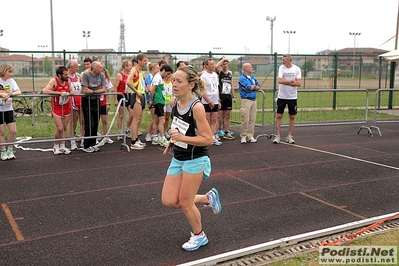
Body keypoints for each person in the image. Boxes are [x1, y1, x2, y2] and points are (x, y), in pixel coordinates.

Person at [161, 65, 221, 252]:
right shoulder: (174, 102)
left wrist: (181, 138)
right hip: (178, 157)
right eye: (173, 81)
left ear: (191, 84)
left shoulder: (197, 108)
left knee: (186, 202)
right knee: (170, 200)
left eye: (179, 81)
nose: (174, 84)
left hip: (196, 159)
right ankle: (207, 197)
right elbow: (180, 128)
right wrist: (173, 140)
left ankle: (199, 235)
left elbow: (207, 139)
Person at [43, 66, 75, 155]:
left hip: (66, 106)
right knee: (59, 128)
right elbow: (45, 91)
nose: (67, 76)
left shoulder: (67, 81)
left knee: (64, 127)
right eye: (65, 75)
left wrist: (71, 92)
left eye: (67, 74)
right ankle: (55, 145)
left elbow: (71, 90)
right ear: (59, 75)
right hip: (57, 107)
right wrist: (59, 93)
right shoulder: (54, 81)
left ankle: (62, 146)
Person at [273, 54, 302, 144]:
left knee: (292, 116)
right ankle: (277, 136)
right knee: (279, 116)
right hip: (282, 96)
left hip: (292, 97)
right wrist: (291, 81)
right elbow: (280, 81)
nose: (282, 61)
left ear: (289, 59)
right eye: (282, 60)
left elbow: (299, 83)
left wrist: (286, 82)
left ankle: (289, 136)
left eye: (284, 60)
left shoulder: (297, 69)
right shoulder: (281, 68)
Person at [81, 61, 106, 152]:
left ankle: (93, 143)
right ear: (94, 68)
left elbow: (103, 89)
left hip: (96, 100)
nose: (101, 69)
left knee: (95, 122)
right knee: (89, 123)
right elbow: (85, 89)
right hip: (87, 100)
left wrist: (94, 92)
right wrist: (95, 91)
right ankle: (86, 145)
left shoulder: (102, 75)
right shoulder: (86, 75)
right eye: (100, 67)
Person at [126, 53, 148, 150]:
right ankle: (133, 141)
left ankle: (136, 139)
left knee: (138, 119)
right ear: (139, 61)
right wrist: (136, 91)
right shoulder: (134, 69)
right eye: (144, 60)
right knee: (136, 119)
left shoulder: (140, 71)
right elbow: (128, 81)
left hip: (142, 95)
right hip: (137, 96)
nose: (146, 62)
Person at [0, 64, 21, 160]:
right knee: (1, 132)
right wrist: (2, 94)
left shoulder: (11, 81)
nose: (11, 74)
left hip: (9, 108)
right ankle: (3, 151)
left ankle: (10, 150)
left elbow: (18, 91)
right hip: (0, 109)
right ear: (4, 71)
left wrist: (10, 94)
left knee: (13, 131)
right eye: (9, 72)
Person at [150, 64, 173, 147]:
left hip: (159, 100)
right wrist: (152, 101)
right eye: (167, 73)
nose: (167, 76)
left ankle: (155, 137)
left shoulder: (159, 77)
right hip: (158, 101)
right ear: (163, 70)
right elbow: (152, 90)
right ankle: (162, 138)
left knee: (156, 120)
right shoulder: (157, 77)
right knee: (162, 120)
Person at [200, 58, 222, 145]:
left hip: (215, 100)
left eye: (214, 63)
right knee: (206, 120)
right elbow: (202, 91)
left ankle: (212, 137)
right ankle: (206, 137)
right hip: (206, 102)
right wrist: (209, 101)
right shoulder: (203, 76)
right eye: (211, 64)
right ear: (206, 66)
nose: (213, 65)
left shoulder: (215, 75)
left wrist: (218, 100)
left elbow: (216, 88)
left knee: (214, 120)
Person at [238, 63, 261, 144]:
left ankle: (250, 135)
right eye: (250, 67)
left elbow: (258, 85)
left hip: (254, 100)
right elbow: (248, 87)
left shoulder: (252, 77)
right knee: (246, 119)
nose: (252, 68)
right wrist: (254, 87)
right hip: (246, 100)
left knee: (252, 119)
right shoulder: (242, 78)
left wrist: (253, 87)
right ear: (246, 68)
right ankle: (243, 136)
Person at [216, 57, 236, 140]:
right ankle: (219, 130)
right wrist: (222, 59)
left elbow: (231, 85)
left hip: (228, 96)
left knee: (227, 115)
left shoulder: (230, 73)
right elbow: (216, 67)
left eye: (226, 64)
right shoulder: (219, 72)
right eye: (223, 64)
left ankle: (226, 131)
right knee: (220, 115)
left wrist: (233, 96)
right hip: (221, 96)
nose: (225, 66)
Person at [113, 59, 133, 141]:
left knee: (132, 114)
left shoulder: (130, 75)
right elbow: (115, 87)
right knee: (121, 115)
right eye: (130, 66)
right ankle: (119, 132)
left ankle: (127, 129)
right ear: (125, 66)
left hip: (129, 95)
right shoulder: (119, 75)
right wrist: (115, 99)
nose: (131, 67)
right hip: (121, 95)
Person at [67, 59, 84, 150]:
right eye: (76, 67)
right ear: (71, 67)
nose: (77, 68)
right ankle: (72, 140)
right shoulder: (67, 77)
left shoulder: (78, 76)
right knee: (73, 121)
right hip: (72, 102)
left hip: (80, 101)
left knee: (83, 120)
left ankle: (83, 139)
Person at [97, 67, 114, 146]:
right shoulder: (95, 80)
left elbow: (109, 91)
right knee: (95, 121)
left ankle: (106, 136)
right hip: (96, 103)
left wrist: (108, 103)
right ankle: (95, 137)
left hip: (103, 103)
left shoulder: (106, 80)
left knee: (105, 120)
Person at [144, 62, 160, 143]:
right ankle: (153, 134)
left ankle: (150, 134)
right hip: (151, 100)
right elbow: (150, 89)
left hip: (157, 100)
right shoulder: (149, 77)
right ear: (153, 69)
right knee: (155, 118)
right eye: (158, 68)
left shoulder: (156, 77)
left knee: (156, 118)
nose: (159, 70)